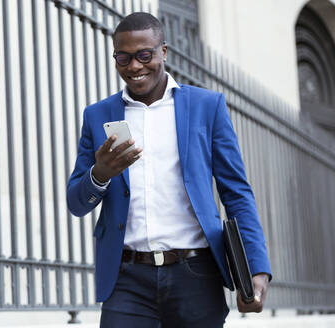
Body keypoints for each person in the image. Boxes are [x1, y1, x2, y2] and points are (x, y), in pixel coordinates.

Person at [66, 12, 272, 328]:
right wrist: (100, 173)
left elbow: (237, 193)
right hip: (127, 280)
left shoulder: (207, 106)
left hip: (196, 274)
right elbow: (76, 203)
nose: (134, 66)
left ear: (163, 52)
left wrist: (256, 266)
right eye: (123, 57)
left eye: (144, 55)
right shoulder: (98, 115)